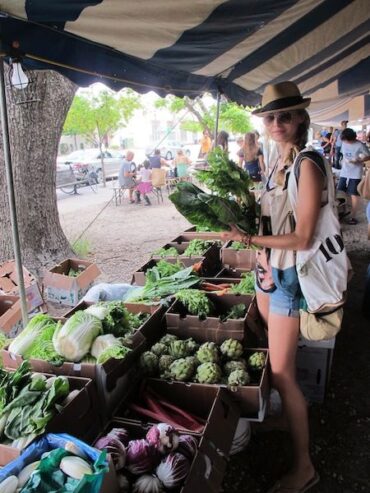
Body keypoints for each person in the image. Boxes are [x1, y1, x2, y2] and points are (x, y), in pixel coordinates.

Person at [221, 81, 333, 493]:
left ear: (300, 117)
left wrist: (249, 241)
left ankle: (305, 467)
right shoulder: (277, 160)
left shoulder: (307, 162)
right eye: (269, 117)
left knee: (284, 372)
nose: (276, 123)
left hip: (289, 279)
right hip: (270, 273)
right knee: (276, 356)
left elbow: (303, 237)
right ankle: (288, 417)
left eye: (285, 115)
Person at [337, 127, 370, 225]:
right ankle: (340, 212)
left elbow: (368, 156)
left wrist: (359, 160)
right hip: (344, 171)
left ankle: (353, 216)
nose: (345, 142)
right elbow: (343, 155)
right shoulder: (343, 143)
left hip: (355, 173)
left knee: (353, 194)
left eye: (347, 140)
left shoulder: (360, 145)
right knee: (340, 192)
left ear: (352, 138)